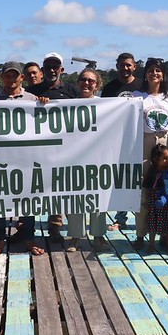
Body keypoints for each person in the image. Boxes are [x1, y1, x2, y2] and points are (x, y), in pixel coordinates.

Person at [0, 61, 45, 256]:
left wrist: (44, 104)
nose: (11, 79)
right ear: (2, 77)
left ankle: (29, 237)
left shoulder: (32, 99)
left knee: (28, 200)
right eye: (7, 75)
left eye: (15, 75)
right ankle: (0, 240)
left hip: (25, 158)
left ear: (21, 77)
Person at [25, 52, 78, 243]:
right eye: (48, 67)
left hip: (66, 147)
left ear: (62, 70)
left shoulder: (73, 90)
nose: (52, 70)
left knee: (60, 187)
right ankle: (26, 227)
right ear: (43, 70)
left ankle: (55, 227)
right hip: (38, 147)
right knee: (33, 185)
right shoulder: (32, 91)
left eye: (56, 67)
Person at [131, 57, 168, 250]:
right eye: (151, 70)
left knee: (167, 190)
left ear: (163, 75)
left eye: (158, 71)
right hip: (144, 144)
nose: (154, 73)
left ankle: (166, 234)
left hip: (165, 142)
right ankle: (141, 234)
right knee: (144, 192)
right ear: (145, 74)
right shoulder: (136, 95)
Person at [66, 69, 110, 252]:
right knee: (76, 199)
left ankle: (99, 236)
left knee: (98, 199)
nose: (86, 83)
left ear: (97, 85)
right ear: (77, 83)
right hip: (74, 158)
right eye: (83, 79)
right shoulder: (66, 105)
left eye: (91, 81)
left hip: (98, 158)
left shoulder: (107, 105)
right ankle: (75, 237)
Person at [102, 52, 142, 231]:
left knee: (141, 178)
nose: (125, 68)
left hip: (139, 136)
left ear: (134, 67)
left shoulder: (143, 85)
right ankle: (120, 218)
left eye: (129, 65)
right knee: (122, 177)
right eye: (122, 65)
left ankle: (144, 217)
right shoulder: (110, 87)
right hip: (117, 138)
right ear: (117, 66)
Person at [144, 144, 168, 253]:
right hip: (155, 202)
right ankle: (151, 244)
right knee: (153, 224)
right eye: (165, 158)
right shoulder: (152, 171)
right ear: (156, 159)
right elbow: (147, 186)